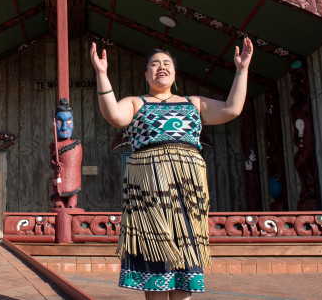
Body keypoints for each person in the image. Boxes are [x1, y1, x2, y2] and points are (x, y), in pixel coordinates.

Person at [90, 37, 253, 300]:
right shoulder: (136, 103)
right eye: (154, 64)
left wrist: (242, 70)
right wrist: (101, 74)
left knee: (185, 254)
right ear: (146, 74)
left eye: (167, 63)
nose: (161, 67)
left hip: (186, 191)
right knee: (155, 255)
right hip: (149, 191)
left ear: (175, 73)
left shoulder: (194, 103)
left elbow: (232, 109)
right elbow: (114, 116)